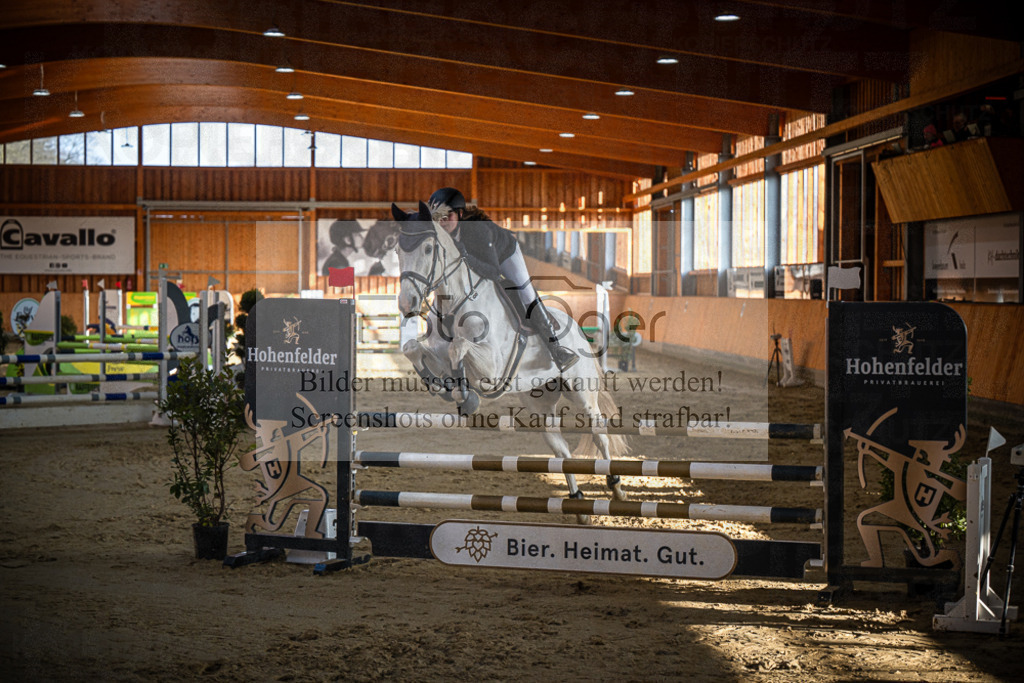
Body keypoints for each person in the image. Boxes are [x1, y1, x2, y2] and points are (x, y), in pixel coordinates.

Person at [427, 187, 578, 371]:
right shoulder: (439, 235)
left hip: (504, 254)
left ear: (459, 213)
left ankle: (556, 348)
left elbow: (493, 272)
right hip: (474, 258)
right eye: (438, 217)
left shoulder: (476, 230)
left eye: (447, 215)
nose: (443, 222)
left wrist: (465, 255)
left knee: (525, 292)